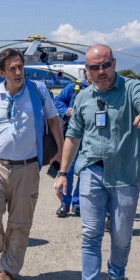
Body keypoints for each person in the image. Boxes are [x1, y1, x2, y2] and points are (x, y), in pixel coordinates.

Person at [54, 44, 140, 280]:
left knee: (122, 234)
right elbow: (73, 135)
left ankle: (117, 276)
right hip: (91, 171)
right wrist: (63, 173)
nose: (101, 71)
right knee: (90, 234)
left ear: (114, 63)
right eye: (94, 67)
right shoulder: (84, 97)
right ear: (87, 69)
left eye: (106, 65)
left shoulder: (131, 88)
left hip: (125, 173)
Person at [0, 48, 64, 280]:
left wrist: (62, 154)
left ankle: (10, 268)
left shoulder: (38, 90)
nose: (18, 71)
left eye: (20, 66)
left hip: (27, 166)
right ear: (1, 72)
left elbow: (54, 122)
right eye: (12, 68)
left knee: (20, 221)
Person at [53, 75, 91, 217]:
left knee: (85, 170)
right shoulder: (74, 87)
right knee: (67, 169)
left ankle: (78, 203)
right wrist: (65, 111)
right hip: (73, 135)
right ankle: (65, 202)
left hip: (91, 136)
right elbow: (57, 100)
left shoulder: (100, 89)